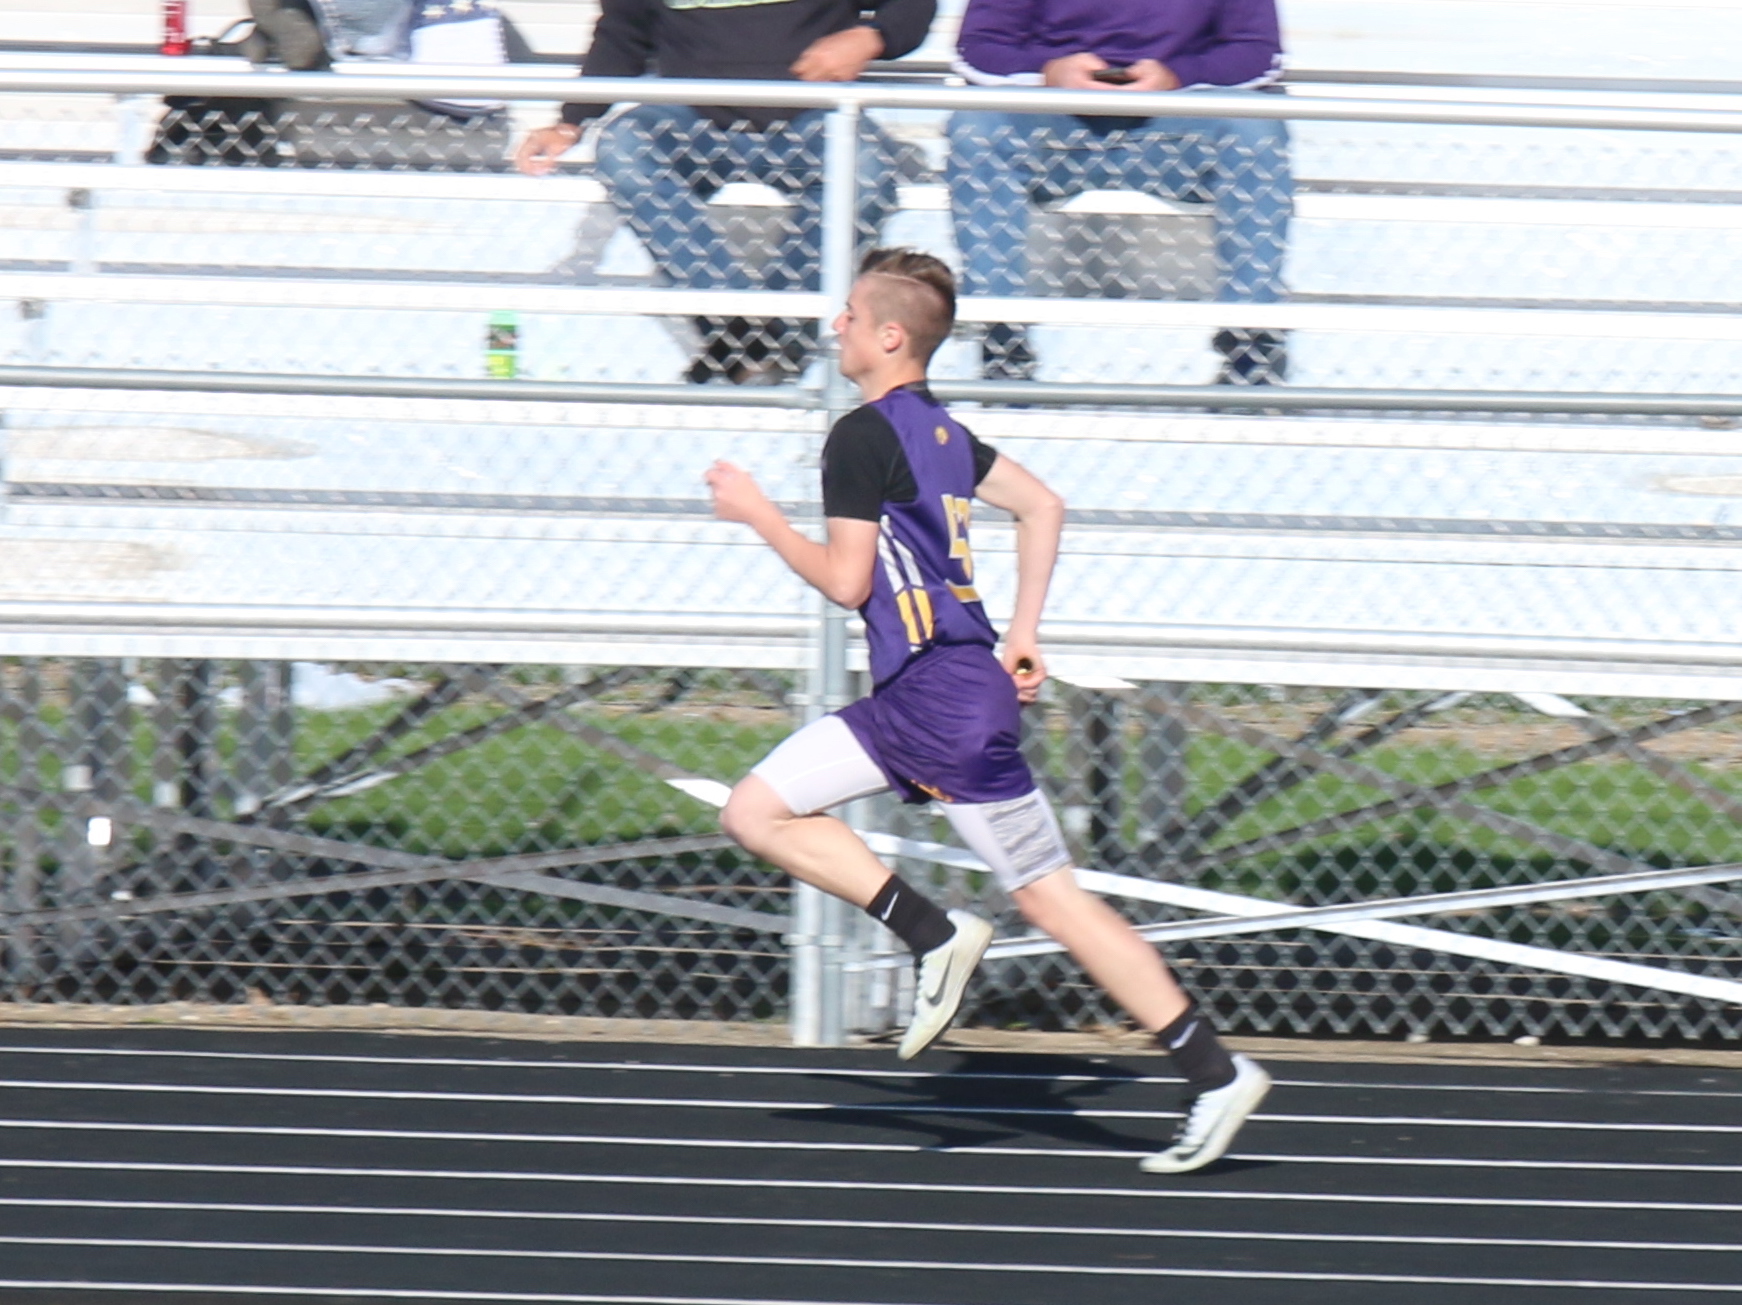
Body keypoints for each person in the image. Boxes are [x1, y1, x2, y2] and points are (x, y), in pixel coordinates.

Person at [705, 247, 1271, 1174]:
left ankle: (1212, 1072)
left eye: (851, 314)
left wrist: (758, 515)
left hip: (938, 706)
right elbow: (1043, 505)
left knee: (1049, 898)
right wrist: (1023, 634)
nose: (835, 325)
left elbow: (848, 582)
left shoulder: (859, 436)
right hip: (938, 696)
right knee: (756, 809)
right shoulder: (943, 435)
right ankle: (940, 937)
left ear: (891, 336)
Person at [515, 0, 933, 385]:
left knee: (867, 170)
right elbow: (623, 31)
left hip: (813, 116)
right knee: (623, 147)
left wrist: (872, 37)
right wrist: (572, 120)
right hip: (694, 119)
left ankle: (765, 331)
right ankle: (743, 327)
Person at [945, 0, 1293, 385]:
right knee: (976, 128)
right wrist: (1050, 72)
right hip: (1054, 127)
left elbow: (1257, 52)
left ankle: (1252, 346)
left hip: (1176, 128)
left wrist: (1177, 76)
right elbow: (979, 48)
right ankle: (1001, 340)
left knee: (1257, 133)